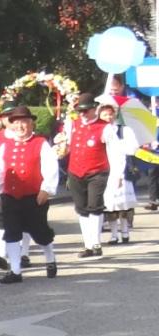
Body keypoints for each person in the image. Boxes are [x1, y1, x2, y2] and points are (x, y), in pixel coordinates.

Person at [0, 104, 59, 283]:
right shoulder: (4, 146)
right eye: (17, 123)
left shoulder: (40, 143)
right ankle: (15, 270)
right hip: (10, 196)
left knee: (40, 232)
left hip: (33, 196)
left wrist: (46, 189)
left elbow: (51, 168)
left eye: (24, 122)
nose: (20, 126)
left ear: (31, 124)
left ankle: (50, 259)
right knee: (11, 232)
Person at [60, 93, 123, 258]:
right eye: (80, 111)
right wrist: (60, 148)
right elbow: (65, 145)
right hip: (75, 171)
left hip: (97, 171)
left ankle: (95, 243)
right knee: (81, 208)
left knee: (94, 205)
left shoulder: (105, 127)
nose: (83, 114)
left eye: (86, 110)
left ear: (94, 109)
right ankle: (87, 244)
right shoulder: (72, 125)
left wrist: (118, 174)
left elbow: (115, 152)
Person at [0, 101, 32, 270]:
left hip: (25, 185)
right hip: (3, 186)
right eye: (7, 117)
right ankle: (1, 254)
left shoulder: (30, 136)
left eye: (14, 117)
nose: (11, 121)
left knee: (26, 220)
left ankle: (24, 253)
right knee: (1, 219)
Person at [99, 103, 138, 244]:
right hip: (106, 171)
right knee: (110, 205)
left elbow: (132, 148)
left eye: (110, 114)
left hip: (122, 169)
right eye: (104, 114)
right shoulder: (100, 132)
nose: (108, 117)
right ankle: (114, 234)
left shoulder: (124, 130)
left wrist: (120, 145)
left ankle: (125, 231)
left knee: (123, 204)